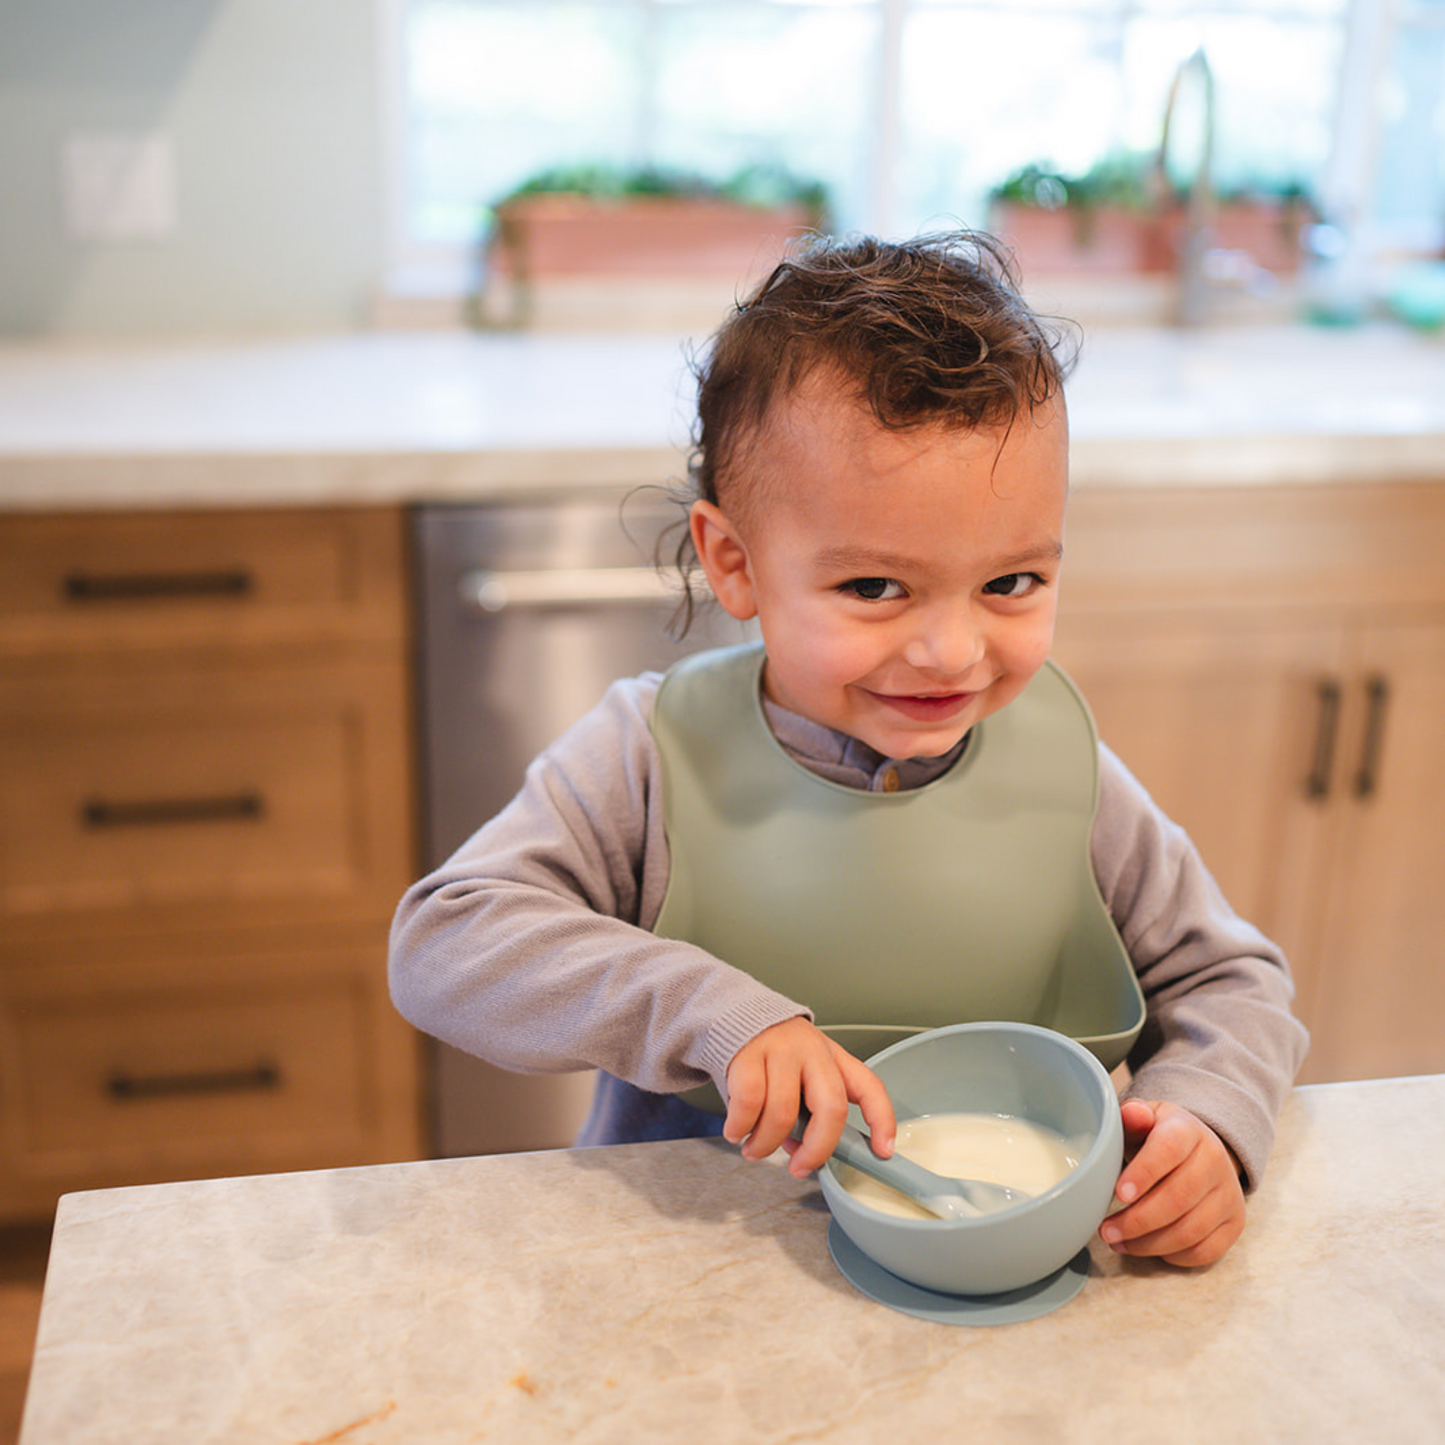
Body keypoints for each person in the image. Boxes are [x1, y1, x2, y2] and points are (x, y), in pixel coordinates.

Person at [390, 230, 1308, 1268]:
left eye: (1010, 582)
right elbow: (443, 945)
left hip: (995, 1285)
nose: (950, 650)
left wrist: (1206, 1119)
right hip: (688, 1281)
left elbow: (1229, 978)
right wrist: (710, 1011)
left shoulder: (1068, 773)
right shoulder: (646, 757)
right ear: (734, 562)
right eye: (874, 586)